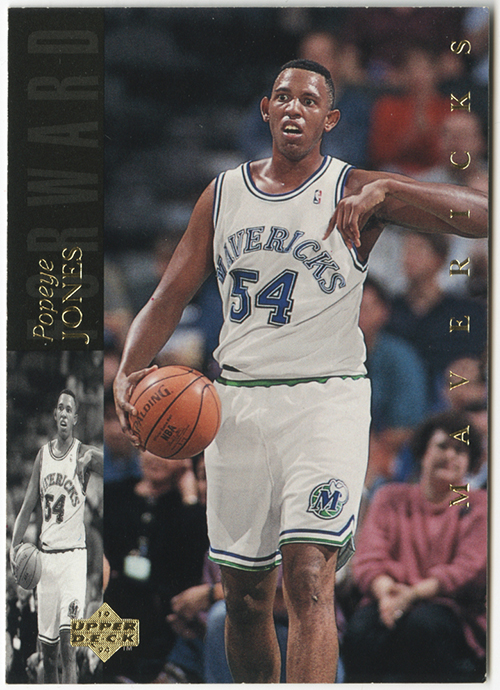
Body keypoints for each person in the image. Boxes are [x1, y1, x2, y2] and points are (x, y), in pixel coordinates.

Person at [113, 59, 487, 683]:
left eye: (309, 100)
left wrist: (393, 192)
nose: (294, 107)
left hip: (325, 401)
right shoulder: (223, 193)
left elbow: (483, 213)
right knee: (245, 598)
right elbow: (170, 295)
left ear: (330, 119)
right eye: (283, 96)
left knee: (309, 577)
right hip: (236, 403)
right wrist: (129, 369)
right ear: (266, 109)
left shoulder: (353, 187)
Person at [342, 412, 487, 682]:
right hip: (387, 598)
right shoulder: (389, 497)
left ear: (471, 461)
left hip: (450, 609)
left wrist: (411, 594)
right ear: (423, 452)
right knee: (361, 630)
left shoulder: (478, 504)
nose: (451, 455)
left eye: (460, 450)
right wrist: (387, 594)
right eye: (443, 446)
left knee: (423, 626)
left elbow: (468, 569)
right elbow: (368, 558)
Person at [10, 389, 104, 684]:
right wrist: (14, 547)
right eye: (60, 408)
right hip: (46, 560)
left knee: (69, 646)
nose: (64, 413)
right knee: (47, 656)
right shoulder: (43, 455)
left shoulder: (83, 452)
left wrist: (93, 457)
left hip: (73, 558)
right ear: (55, 414)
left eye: (69, 409)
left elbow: (112, 461)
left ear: (75, 418)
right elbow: (27, 506)